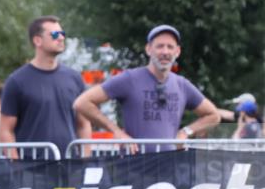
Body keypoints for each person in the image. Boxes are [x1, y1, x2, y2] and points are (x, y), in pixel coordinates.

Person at [73, 24, 220, 148]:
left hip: (169, 165)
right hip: (135, 166)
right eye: (160, 46)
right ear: (149, 49)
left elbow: (213, 115)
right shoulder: (129, 79)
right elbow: (82, 103)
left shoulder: (182, 85)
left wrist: (185, 132)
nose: (165, 52)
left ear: (177, 51)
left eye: (170, 47)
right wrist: (116, 131)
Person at [0, 16, 89, 155]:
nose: (61, 38)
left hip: (69, 164)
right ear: (37, 40)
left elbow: (83, 124)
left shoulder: (74, 78)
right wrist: (16, 165)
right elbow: (6, 130)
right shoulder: (16, 81)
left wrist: (85, 160)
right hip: (32, 165)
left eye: (62, 33)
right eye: (55, 34)